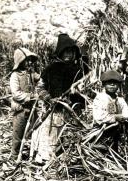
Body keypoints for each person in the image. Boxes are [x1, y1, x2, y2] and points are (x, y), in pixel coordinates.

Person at [30, 33, 90, 164]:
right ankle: (46, 159)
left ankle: (67, 159)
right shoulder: (51, 68)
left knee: (70, 136)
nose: (68, 55)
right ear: (60, 53)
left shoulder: (79, 70)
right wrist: (48, 98)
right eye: (65, 52)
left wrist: (77, 93)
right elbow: (40, 88)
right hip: (54, 110)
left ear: (75, 52)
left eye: (70, 51)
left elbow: (86, 88)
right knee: (50, 134)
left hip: (72, 111)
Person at [10, 47, 40, 159]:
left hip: (32, 108)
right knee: (18, 134)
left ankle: (34, 154)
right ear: (20, 62)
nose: (29, 63)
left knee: (35, 131)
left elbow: (42, 80)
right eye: (27, 60)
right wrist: (31, 96)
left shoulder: (32, 74)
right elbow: (16, 94)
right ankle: (15, 156)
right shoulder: (15, 75)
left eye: (30, 60)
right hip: (20, 109)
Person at [92, 70, 128, 152]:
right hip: (103, 130)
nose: (112, 85)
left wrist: (124, 116)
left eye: (115, 83)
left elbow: (126, 110)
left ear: (118, 85)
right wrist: (115, 117)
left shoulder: (119, 99)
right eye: (109, 83)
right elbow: (98, 117)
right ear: (104, 85)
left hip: (117, 129)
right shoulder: (100, 98)